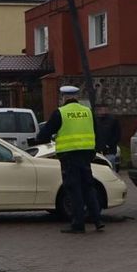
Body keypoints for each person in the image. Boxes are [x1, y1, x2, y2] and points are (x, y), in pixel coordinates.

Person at [36, 85, 104, 234]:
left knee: (74, 189)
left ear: (63, 98)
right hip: (86, 155)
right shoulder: (87, 112)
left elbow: (43, 135)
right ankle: (98, 220)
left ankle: (78, 224)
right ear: (77, 97)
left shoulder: (60, 112)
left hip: (69, 157)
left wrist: (45, 138)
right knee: (88, 187)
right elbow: (97, 132)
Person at [95, 103, 121, 170]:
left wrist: (109, 145)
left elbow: (117, 134)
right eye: (100, 109)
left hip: (110, 151)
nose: (102, 111)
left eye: (104, 109)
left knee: (110, 168)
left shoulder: (113, 120)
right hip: (98, 151)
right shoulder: (95, 120)